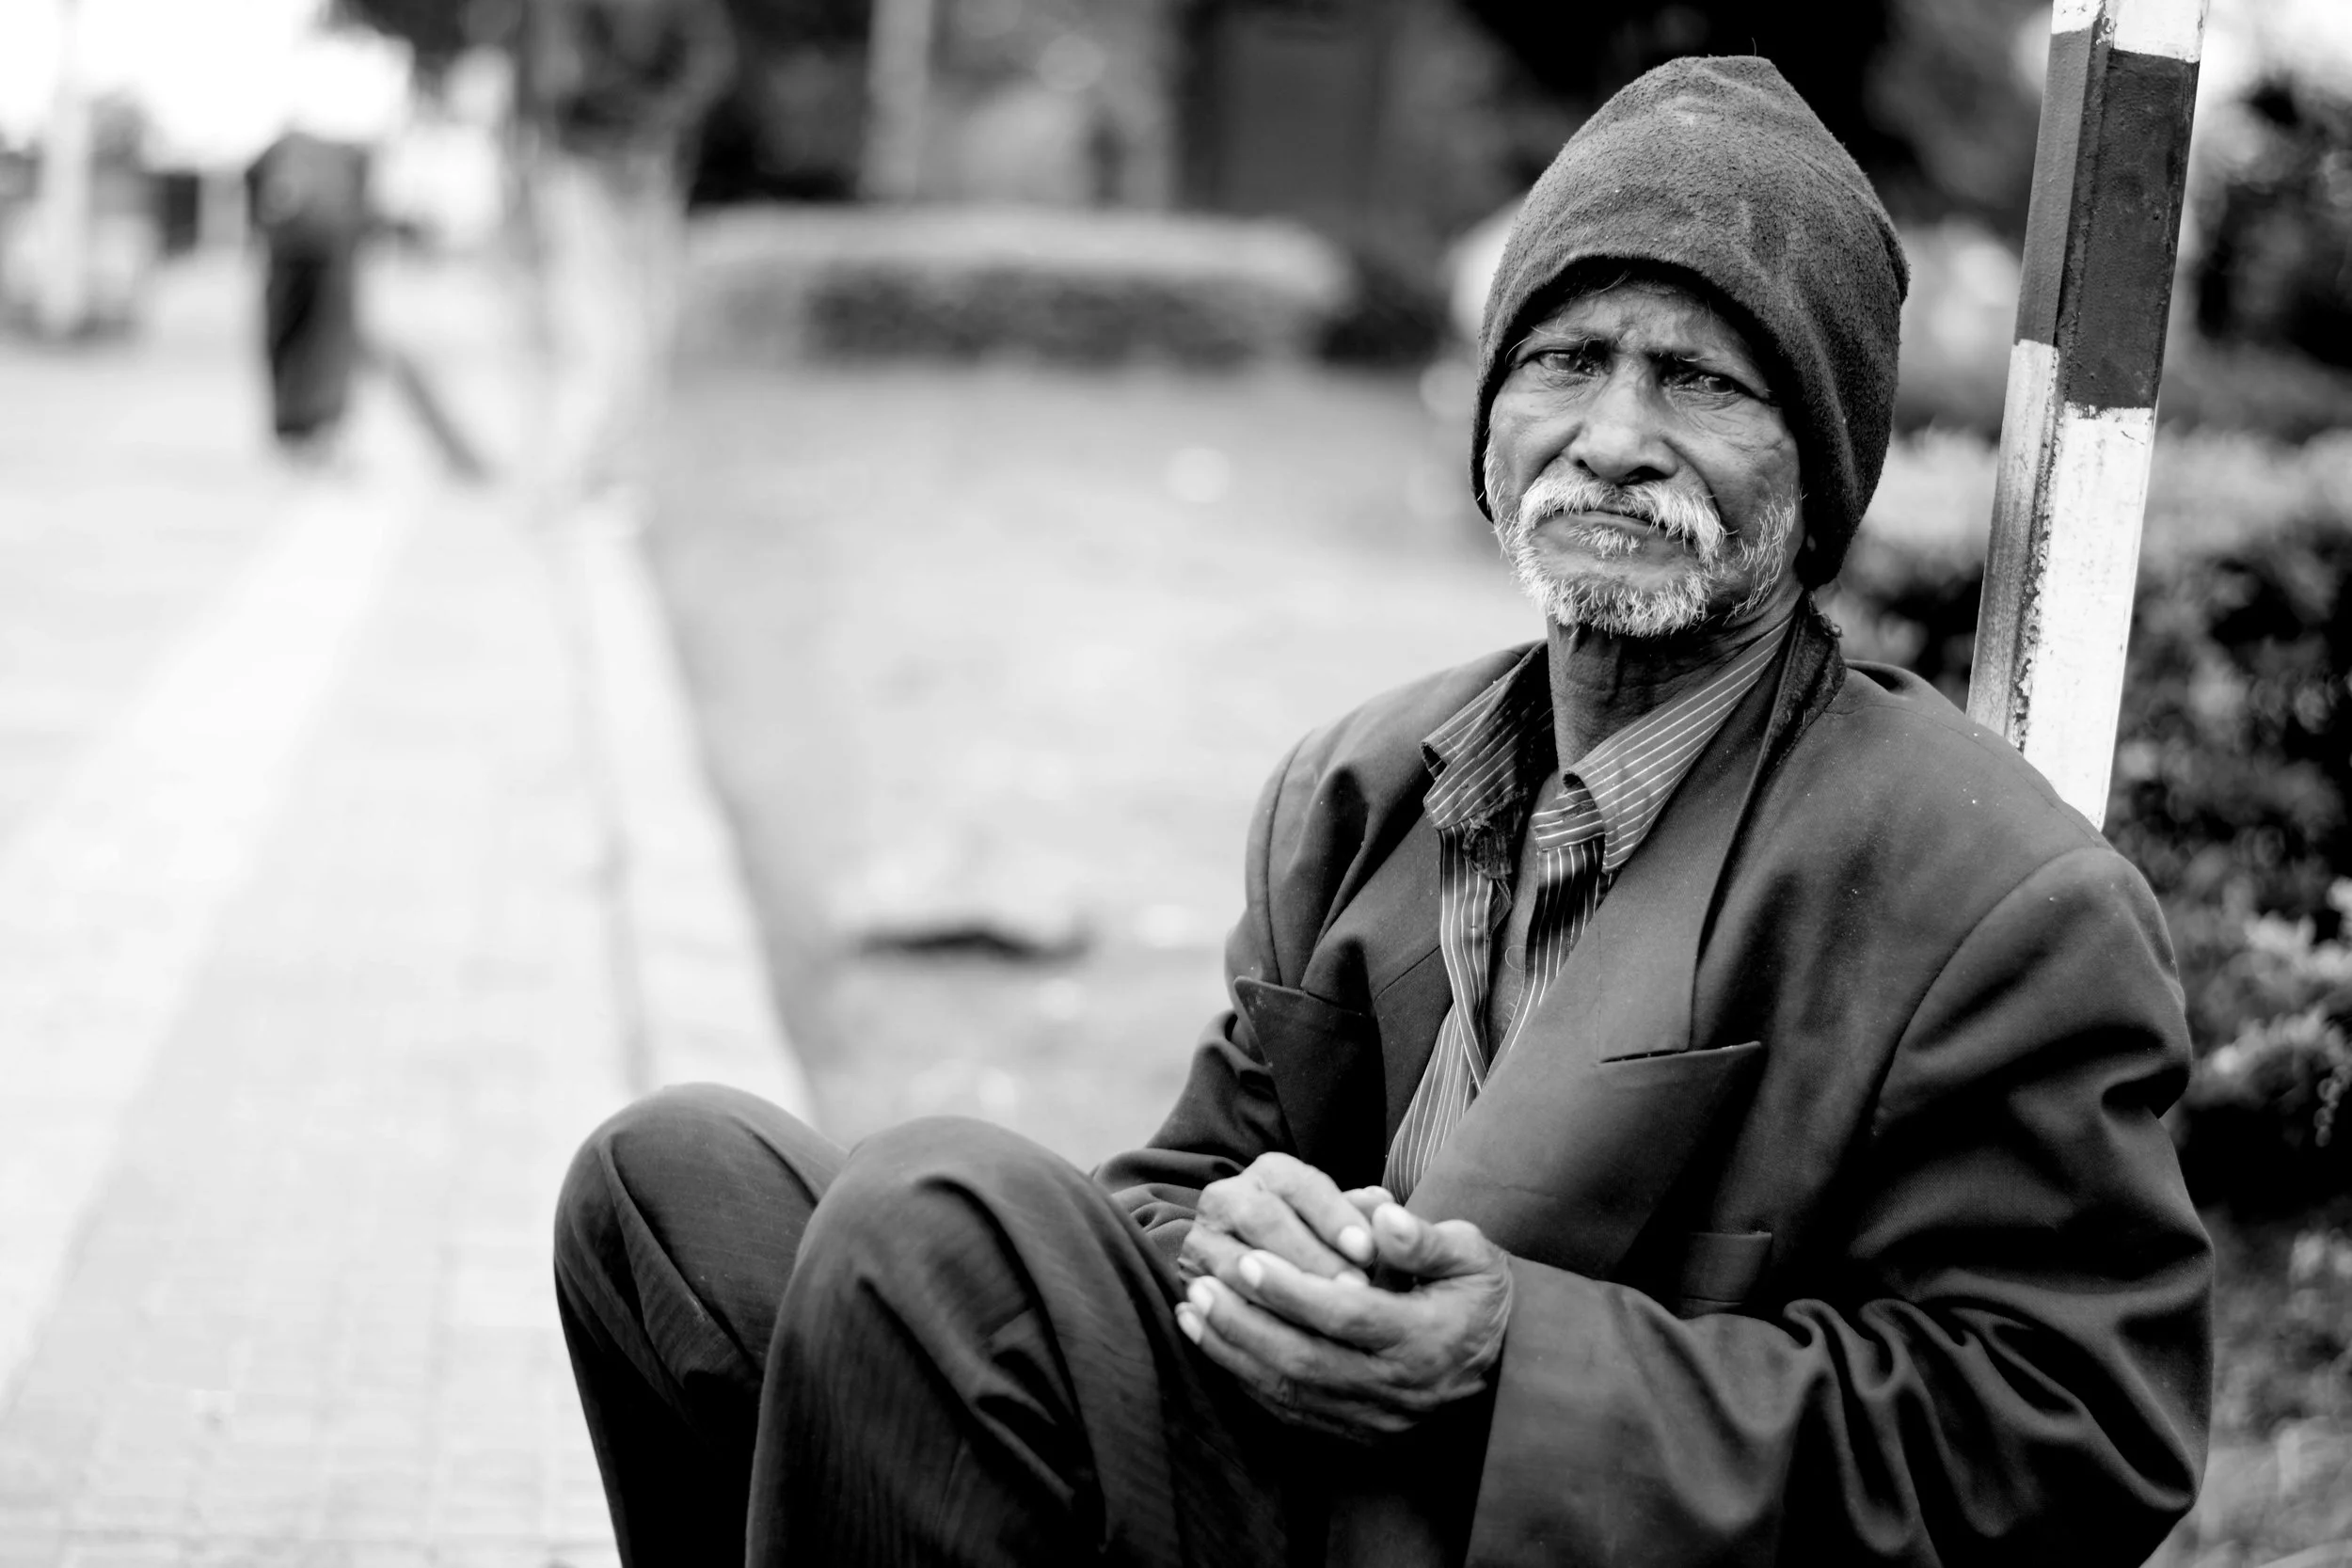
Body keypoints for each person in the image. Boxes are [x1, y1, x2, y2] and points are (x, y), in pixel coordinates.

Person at [552, 56, 2212, 1566]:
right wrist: (1229, 1234)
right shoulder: (1362, 787)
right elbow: (1179, 1178)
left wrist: (1510, 1363)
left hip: (1519, 1534)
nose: (1615, 438)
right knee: (668, 1190)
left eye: (1706, 382)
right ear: (1492, 419)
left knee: (934, 1227)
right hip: (1268, 1480)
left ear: (1820, 465)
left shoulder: (1995, 891)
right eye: (1566, 359)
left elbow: (2069, 1435)